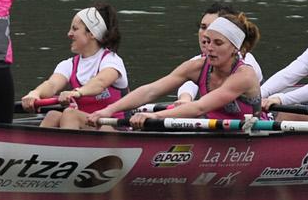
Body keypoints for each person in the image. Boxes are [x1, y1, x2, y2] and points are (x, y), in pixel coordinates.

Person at [87, 11, 262, 127]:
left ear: (235, 48)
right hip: (212, 130)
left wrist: (156, 116)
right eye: (207, 41)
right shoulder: (197, 67)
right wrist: (109, 110)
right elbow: (151, 91)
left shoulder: (244, 75)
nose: (209, 48)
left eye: (218, 43)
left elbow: (199, 107)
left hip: (247, 135)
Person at [20, 4, 128, 129]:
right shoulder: (68, 65)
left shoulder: (112, 60)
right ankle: (40, 147)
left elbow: (100, 82)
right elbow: (52, 85)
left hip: (115, 128)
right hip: (89, 126)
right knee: (53, 115)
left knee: (70, 114)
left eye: (75, 29)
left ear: (92, 33)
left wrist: (77, 93)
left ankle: (65, 146)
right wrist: (35, 93)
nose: (69, 34)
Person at [176, 1, 264, 103]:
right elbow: (189, 80)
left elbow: (200, 108)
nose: (206, 34)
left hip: (251, 116)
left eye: (214, 28)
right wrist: (185, 98)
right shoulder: (197, 62)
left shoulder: (246, 63)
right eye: (203, 27)